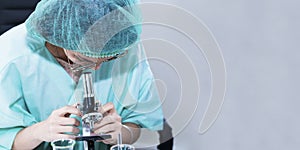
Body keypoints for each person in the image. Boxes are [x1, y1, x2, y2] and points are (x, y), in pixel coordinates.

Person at [0, 0, 163, 149]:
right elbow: (5, 140)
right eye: (82, 58)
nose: (96, 68)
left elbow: (142, 124)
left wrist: (121, 132)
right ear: (59, 34)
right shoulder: (11, 57)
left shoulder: (122, 43)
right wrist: (38, 132)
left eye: (109, 59)